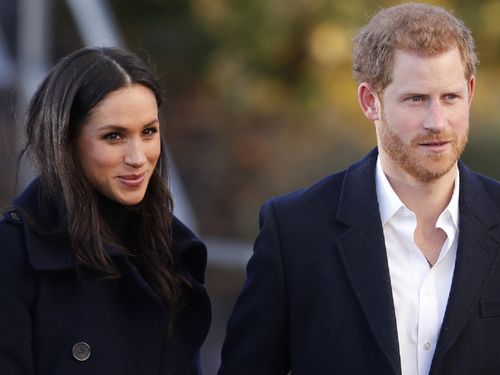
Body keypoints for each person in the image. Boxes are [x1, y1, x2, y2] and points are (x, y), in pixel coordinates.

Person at [218, 3, 500, 375]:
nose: (437, 121)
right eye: (416, 99)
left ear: (470, 91)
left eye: (450, 97)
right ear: (371, 101)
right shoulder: (294, 230)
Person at [0, 47, 211, 374]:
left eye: (148, 132)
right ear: (66, 141)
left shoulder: (171, 250)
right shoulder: (13, 253)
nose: (138, 157)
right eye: (114, 136)